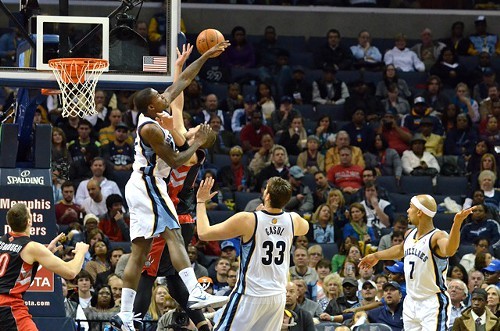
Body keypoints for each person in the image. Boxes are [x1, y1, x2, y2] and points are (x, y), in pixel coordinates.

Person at [111, 42, 230, 331]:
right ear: (152, 106)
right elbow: (176, 160)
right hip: (149, 183)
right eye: (158, 97)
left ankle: (125, 315)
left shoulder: (156, 115)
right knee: (173, 236)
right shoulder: (151, 128)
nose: (164, 96)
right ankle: (196, 292)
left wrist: (204, 56)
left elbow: (184, 81)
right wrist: (199, 140)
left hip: (145, 184)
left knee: (139, 252)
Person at [195, 176, 309, 331]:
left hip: (250, 295)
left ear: (267, 196)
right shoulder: (293, 220)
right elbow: (306, 227)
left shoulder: (248, 219)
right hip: (276, 297)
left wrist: (201, 202)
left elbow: (203, 233)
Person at [359, 194, 476, 330]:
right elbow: (400, 250)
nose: (408, 211)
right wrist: (376, 256)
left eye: (411, 207)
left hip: (432, 302)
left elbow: (450, 250)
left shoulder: (437, 236)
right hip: (411, 301)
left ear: (419, 212)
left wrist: (456, 224)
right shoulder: (409, 234)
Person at [0, 203, 89, 330]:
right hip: (9, 306)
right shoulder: (31, 247)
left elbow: (15, 267)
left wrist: (46, 252)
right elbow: (71, 272)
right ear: (29, 221)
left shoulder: (2, 241)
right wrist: (81, 252)